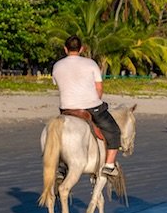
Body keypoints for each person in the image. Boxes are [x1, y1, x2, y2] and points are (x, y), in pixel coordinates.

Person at [51, 35, 121, 177]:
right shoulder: (90, 64)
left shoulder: (57, 66)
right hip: (90, 107)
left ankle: (60, 167)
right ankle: (109, 165)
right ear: (81, 49)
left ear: (65, 49)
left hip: (66, 110)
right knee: (114, 131)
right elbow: (99, 89)